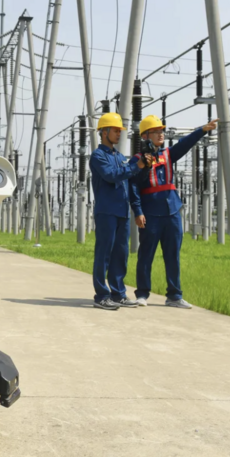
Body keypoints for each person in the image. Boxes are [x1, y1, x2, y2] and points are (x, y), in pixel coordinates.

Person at [129, 115, 219, 309]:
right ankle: (142, 294)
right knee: (146, 255)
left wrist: (202, 130)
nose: (161, 134)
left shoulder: (168, 155)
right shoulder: (137, 160)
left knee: (173, 255)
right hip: (150, 213)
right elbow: (133, 187)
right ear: (145, 136)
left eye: (161, 131)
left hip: (172, 212)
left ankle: (174, 296)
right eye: (156, 132)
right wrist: (138, 211)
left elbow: (184, 144)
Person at [90, 113, 152, 311]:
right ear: (104, 132)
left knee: (120, 254)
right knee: (104, 254)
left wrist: (143, 167)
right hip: (106, 211)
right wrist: (136, 166)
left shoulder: (119, 157)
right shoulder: (98, 156)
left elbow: (129, 179)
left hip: (122, 213)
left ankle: (118, 294)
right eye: (116, 130)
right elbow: (111, 175)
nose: (119, 134)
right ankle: (101, 296)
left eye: (120, 131)